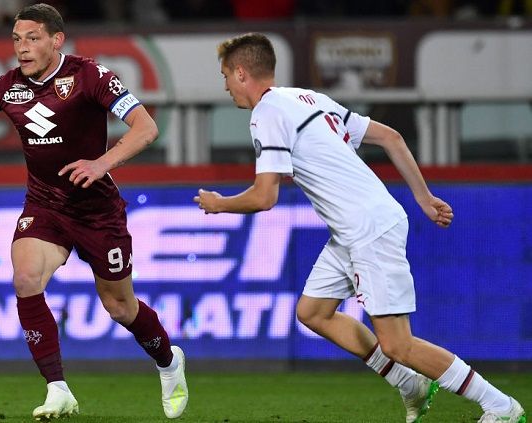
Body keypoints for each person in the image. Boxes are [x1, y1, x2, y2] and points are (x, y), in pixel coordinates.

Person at [194, 32, 526, 423]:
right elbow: (392, 137)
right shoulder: (306, 98)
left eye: (225, 76)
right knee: (313, 312)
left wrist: (220, 204)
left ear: (241, 72)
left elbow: (264, 197)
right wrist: (422, 197)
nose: (226, 86)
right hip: (356, 229)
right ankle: (409, 384)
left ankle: (501, 405)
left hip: (368, 229)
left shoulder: (266, 114)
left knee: (398, 343)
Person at [0, 3, 188, 420]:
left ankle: (169, 361)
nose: (22, 48)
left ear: (56, 40)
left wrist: (101, 163)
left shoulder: (92, 76)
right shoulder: (4, 87)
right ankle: (58, 387)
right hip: (45, 205)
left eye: (32, 38)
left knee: (120, 308)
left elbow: (146, 127)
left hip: (97, 211)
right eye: (16, 39)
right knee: (25, 276)